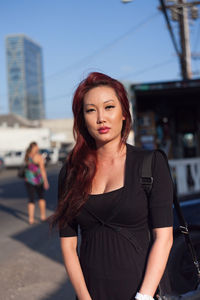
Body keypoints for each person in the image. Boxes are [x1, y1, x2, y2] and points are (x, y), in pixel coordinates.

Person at [50, 72, 173, 300]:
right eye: (90, 110)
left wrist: (143, 297)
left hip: (143, 292)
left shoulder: (151, 163)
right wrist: (84, 298)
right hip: (91, 294)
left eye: (109, 107)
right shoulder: (70, 173)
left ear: (124, 114)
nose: (101, 118)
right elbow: (68, 247)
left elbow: (164, 238)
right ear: (82, 119)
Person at [24, 142, 49, 224]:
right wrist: (45, 181)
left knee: (31, 199)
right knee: (41, 197)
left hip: (28, 180)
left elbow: (27, 167)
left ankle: (30, 219)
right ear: (34, 147)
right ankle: (43, 216)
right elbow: (42, 169)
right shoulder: (38, 157)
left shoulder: (27, 156)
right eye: (37, 146)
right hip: (38, 180)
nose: (38, 148)